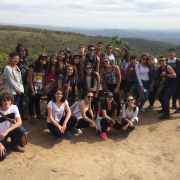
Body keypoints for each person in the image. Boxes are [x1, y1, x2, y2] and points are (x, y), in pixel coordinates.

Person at [0, 91, 26, 161]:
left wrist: (7, 131)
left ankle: (14, 144)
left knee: (21, 129)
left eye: (8, 100)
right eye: (4, 101)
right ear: (1, 102)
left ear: (11, 100)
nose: (7, 102)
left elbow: (19, 122)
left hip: (10, 130)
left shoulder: (14, 107)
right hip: (1, 135)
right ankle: (3, 144)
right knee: (2, 156)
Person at [28, 54, 48, 124]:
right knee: (31, 101)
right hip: (32, 86)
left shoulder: (44, 67)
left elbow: (43, 78)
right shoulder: (32, 66)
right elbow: (30, 79)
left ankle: (38, 114)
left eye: (45, 59)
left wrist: (43, 87)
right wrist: (32, 89)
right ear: (39, 59)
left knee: (37, 101)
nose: (44, 60)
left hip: (39, 87)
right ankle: (31, 116)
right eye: (42, 59)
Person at [15, 43, 29, 120]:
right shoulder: (16, 60)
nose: (23, 52)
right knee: (16, 101)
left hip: (23, 83)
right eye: (21, 50)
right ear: (18, 51)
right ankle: (16, 118)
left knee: (21, 100)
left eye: (24, 50)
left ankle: (20, 115)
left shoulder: (24, 60)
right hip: (17, 84)